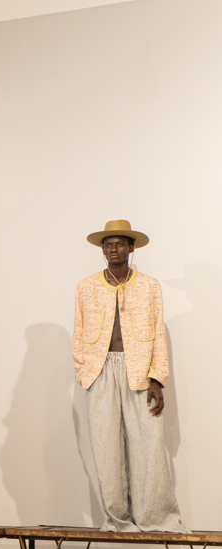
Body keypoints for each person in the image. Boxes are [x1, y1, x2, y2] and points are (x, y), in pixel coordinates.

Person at [73, 220, 184, 532]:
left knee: (149, 442)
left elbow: (159, 335)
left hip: (139, 370)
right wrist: (85, 373)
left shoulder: (149, 286)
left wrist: (157, 379)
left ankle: (156, 517)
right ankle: (118, 519)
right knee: (105, 445)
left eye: (120, 243)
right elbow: (78, 332)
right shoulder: (86, 286)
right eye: (108, 244)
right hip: (100, 369)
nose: (113, 248)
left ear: (131, 248)